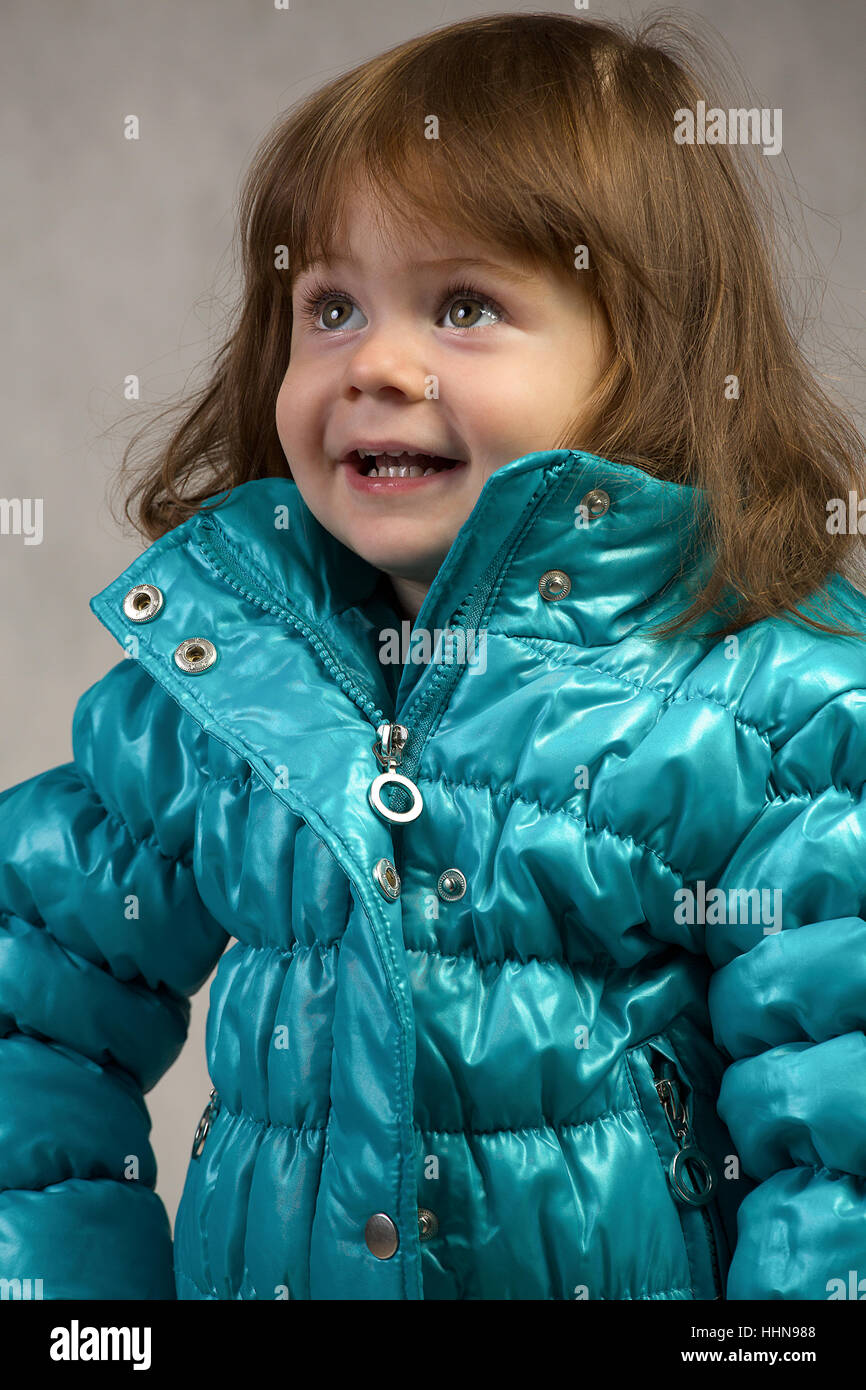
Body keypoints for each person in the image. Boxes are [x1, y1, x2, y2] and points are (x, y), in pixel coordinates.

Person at [2, 11, 865, 1301]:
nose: (378, 364)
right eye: (331, 307)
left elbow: (839, 1144)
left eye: (464, 307)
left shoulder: (763, 711)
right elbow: (32, 1012)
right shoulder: (228, 698)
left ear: (650, 356)